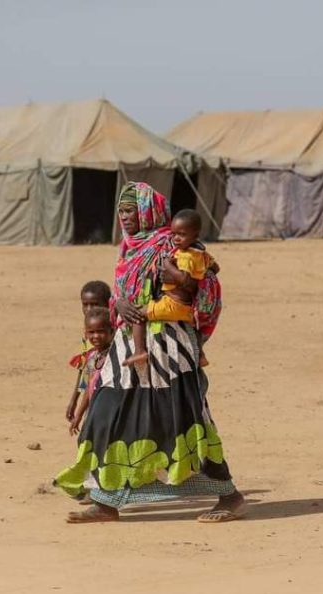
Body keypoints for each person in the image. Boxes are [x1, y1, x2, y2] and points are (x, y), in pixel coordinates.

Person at [54, 181, 243, 524]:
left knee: (184, 422)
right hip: (127, 348)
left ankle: (228, 495)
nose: (124, 218)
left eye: (130, 211)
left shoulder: (173, 244)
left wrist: (164, 297)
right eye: (121, 211)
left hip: (168, 350)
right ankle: (107, 500)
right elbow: (119, 296)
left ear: (147, 211)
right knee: (107, 416)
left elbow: (203, 284)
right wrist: (122, 303)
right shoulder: (128, 249)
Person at [123, 209, 217, 369]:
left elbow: (183, 279)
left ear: (195, 235)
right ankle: (199, 355)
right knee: (194, 331)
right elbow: (215, 268)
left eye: (182, 234)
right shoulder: (201, 254)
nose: (176, 238)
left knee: (137, 313)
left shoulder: (186, 256)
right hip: (188, 308)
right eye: (173, 234)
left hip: (172, 304)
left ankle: (139, 351)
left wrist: (167, 265)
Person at [65, 280, 112, 423]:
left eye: (95, 304)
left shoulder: (110, 331)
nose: (89, 309)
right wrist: (74, 399)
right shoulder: (90, 331)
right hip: (92, 391)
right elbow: (85, 368)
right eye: (85, 304)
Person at [68, 306, 114, 436]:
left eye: (100, 331)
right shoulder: (92, 357)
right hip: (93, 413)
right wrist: (78, 415)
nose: (96, 336)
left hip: (111, 414)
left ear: (111, 330)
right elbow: (89, 389)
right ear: (85, 333)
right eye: (91, 332)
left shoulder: (115, 356)